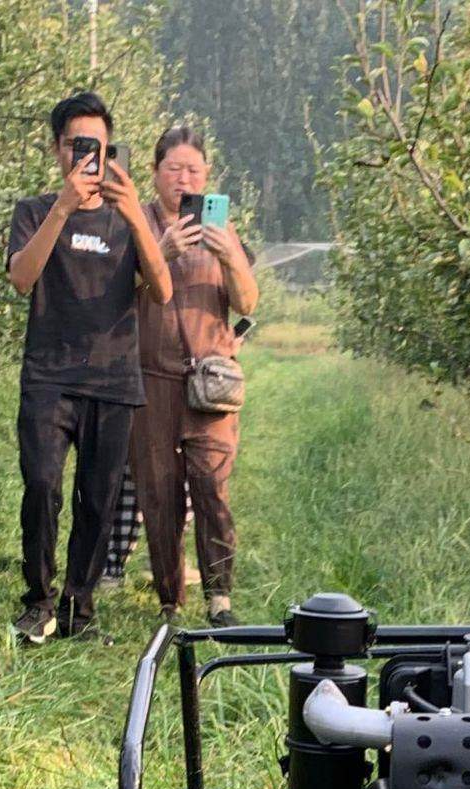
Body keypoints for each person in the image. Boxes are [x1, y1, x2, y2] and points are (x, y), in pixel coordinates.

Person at [5, 92, 171, 643]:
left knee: (98, 500)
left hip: (113, 378)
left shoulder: (129, 219)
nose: (88, 157)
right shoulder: (34, 211)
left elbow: (163, 290)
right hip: (50, 376)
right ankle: (38, 601)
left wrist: (136, 214)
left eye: (97, 146)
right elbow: (21, 278)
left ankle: (79, 606)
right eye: (77, 146)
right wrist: (63, 208)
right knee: (42, 486)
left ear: (110, 150)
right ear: (58, 150)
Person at [132, 125, 259, 628]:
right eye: (174, 168)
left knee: (212, 487)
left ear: (207, 175)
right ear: (155, 172)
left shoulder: (222, 229)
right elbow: (117, 291)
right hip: (151, 379)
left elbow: (246, 302)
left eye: (193, 170)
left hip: (211, 381)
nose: (183, 179)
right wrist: (160, 253)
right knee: (159, 492)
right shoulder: (137, 223)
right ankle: (170, 598)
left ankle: (219, 597)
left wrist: (227, 255)